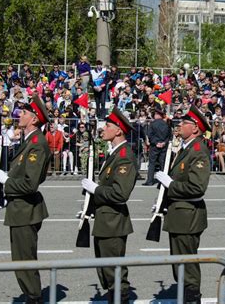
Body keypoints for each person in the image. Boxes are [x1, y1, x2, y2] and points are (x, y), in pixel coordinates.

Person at [0, 93, 51, 304]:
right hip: (19, 208)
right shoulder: (28, 141)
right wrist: (5, 196)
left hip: (26, 211)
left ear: (34, 119)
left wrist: (5, 181)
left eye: (24, 112)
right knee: (20, 260)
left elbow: (29, 183)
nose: (19, 114)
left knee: (25, 260)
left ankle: (34, 298)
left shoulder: (37, 144)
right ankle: (31, 295)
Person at [154, 105, 211, 304]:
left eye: (184, 123)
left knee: (187, 266)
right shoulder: (186, 148)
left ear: (195, 128)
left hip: (188, 217)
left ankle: (192, 300)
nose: (179, 125)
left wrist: (171, 184)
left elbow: (196, 187)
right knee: (179, 265)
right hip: (179, 215)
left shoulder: (198, 151)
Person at [81, 107, 137, 304]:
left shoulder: (124, 156)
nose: (103, 129)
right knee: (106, 270)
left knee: (114, 272)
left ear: (119, 130)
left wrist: (96, 190)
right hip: (105, 220)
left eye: (108, 125)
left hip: (113, 222)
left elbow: (120, 194)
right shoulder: (114, 153)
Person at [143, 108, 171, 186]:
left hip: (154, 146)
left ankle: (150, 180)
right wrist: (164, 143)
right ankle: (162, 181)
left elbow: (150, 135)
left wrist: (156, 143)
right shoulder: (166, 124)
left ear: (157, 115)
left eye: (155, 114)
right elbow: (169, 136)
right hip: (163, 146)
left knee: (152, 163)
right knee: (162, 163)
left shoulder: (153, 124)